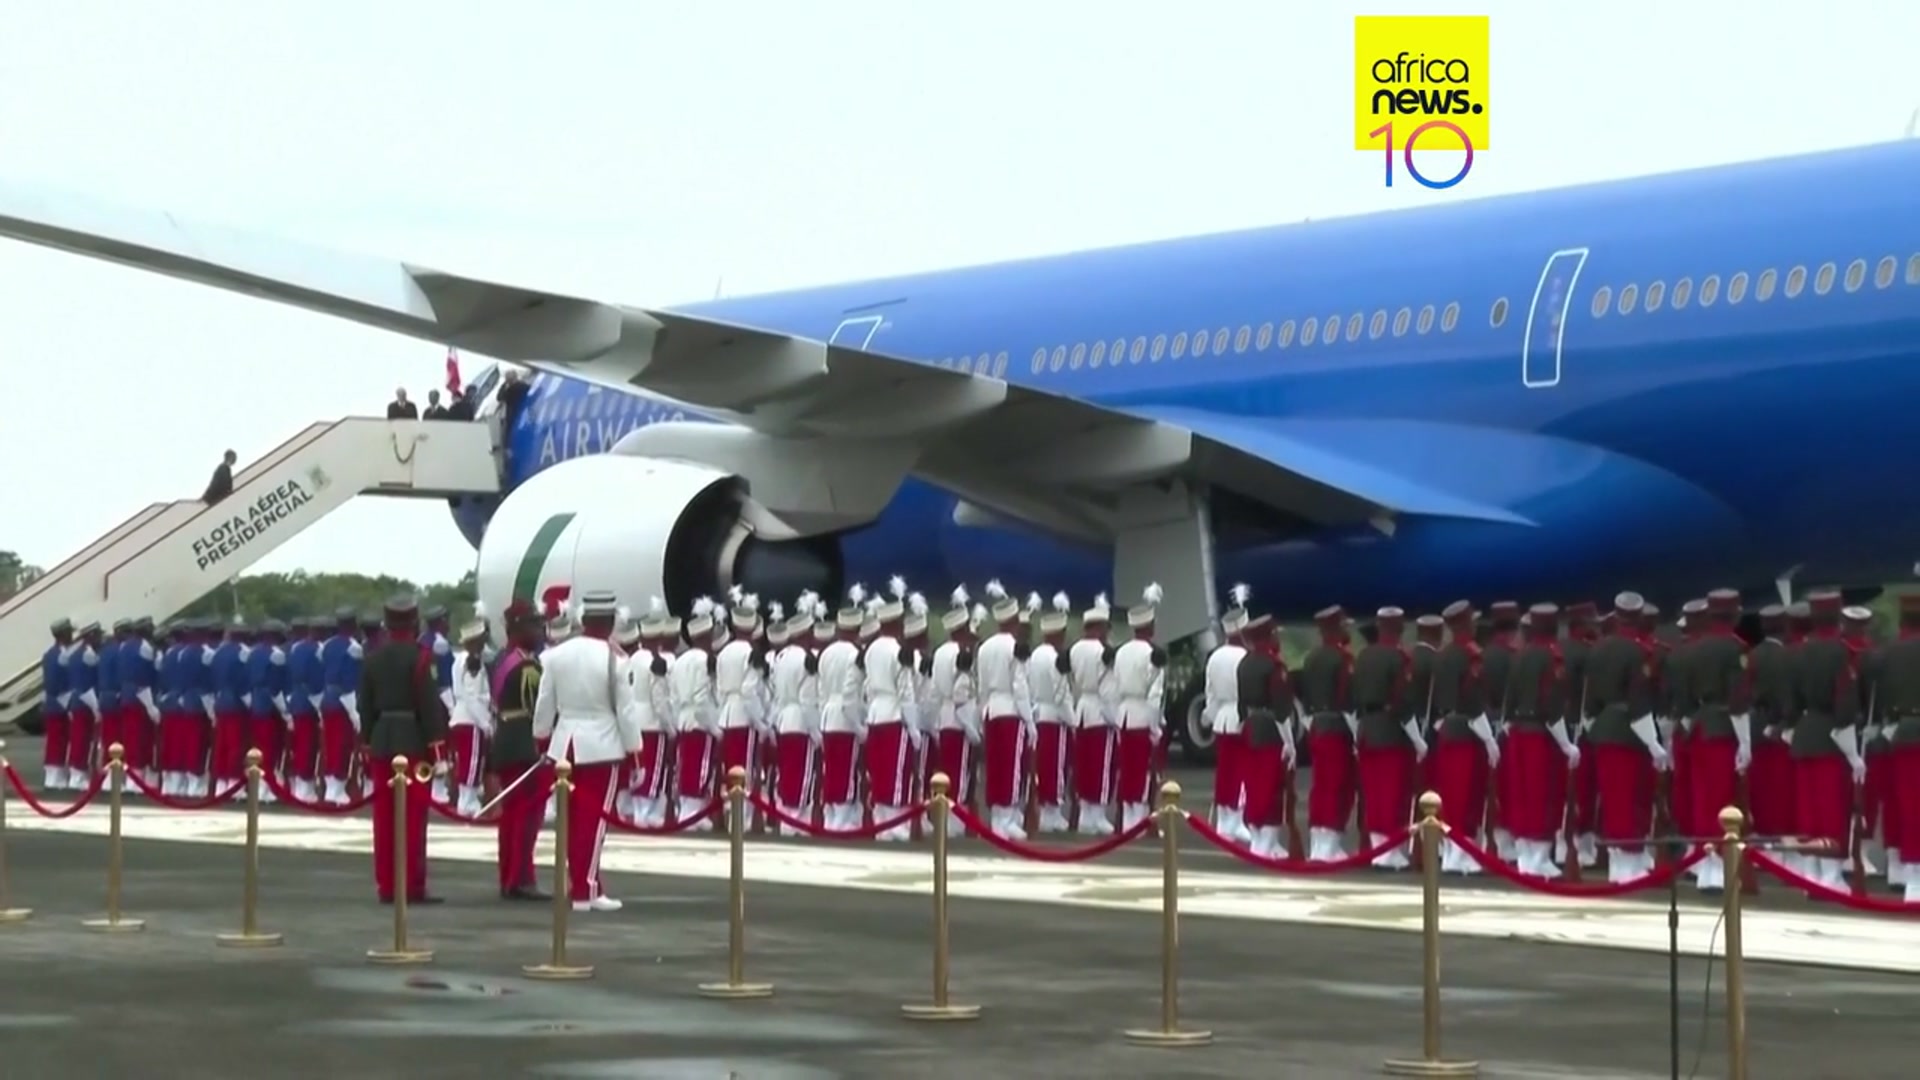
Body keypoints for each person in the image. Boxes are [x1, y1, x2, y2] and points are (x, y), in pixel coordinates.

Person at [533, 591, 640, 912]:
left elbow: (544, 705)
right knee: (592, 823)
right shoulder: (616, 660)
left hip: (564, 743)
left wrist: (542, 741)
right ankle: (585, 889)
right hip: (601, 746)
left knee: (571, 822)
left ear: (582, 620)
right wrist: (635, 752)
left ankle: (582, 883)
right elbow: (626, 712)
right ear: (609, 623)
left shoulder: (555, 655)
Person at [357, 594, 448, 905]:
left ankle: (387, 885)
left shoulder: (372, 658)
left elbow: (364, 707)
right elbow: (429, 707)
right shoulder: (422, 657)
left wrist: (367, 745)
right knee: (412, 818)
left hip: (382, 740)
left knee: (384, 819)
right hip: (412, 742)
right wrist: (438, 753)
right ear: (414, 621)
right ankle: (411, 886)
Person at [1586, 591, 1666, 883]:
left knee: (1612, 797)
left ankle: (1619, 865)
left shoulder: (1598, 649)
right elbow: (1639, 704)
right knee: (1632, 797)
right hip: (1630, 734)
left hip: (1604, 729)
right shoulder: (1639, 652)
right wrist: (1654, 744)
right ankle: (1628, 865)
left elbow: (1591, 701)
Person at [1504, 602, 1578, 879]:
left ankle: (1525, 855)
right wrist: (1566, 744)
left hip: (1518, 733)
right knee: (1542, 794)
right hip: (1541, 735)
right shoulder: (1553, 656)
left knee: (1521, 793)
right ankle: (1539, 856)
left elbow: (1508, 701)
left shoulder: (1519, 656)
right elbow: (1553, 706)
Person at [1687, 589, 1752, 892]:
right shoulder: (1734, 648)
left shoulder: (1695, 648)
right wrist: (1746, 743)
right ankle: (1715, 868)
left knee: (1702, 797)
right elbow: (1738, 700)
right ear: (1735, 614)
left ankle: (1706, 863)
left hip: (1700, 725)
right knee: (1722, 799)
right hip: (1722, 728)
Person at [1430, 601, 1499, 874]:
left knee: (1451, 794)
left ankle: (1452, 853)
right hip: (1468, 733)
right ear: (1466, 624)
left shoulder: (1443, 654)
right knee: (1467, 794)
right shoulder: (1470, 654)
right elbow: (1472, 700)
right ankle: (1462, 854)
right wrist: (1489, 739)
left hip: (1448, 730)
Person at [1354, 607, 1423, 869]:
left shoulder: (1362, 657)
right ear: (1398, 628)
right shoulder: (1400, 657)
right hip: (1392, 733)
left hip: (1367, 731)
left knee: (1374, 792)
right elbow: (1403, 703)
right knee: (1395, 792)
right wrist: (1418, 740)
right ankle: (1392, 851)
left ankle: (1378, 847)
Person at [490, 601, 549, 901]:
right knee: (525, 816)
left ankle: (511, 876)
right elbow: (535, 706)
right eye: (534, 625)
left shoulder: (505, 657)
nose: (540, 630)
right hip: (522, 741)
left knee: (513, 815)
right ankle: (521, 878)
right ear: (518, 627)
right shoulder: (526, 666)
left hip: (507, 739)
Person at [976, 580, 1034, 838]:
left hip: (991, 709)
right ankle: (1006, 820)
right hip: (1011, 710)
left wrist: (981, 713)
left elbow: (981, 687)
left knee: (996, 766)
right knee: (1011, 767)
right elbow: (1020, 686)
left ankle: (998, 819)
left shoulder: (985, 647)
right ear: (1013, 620)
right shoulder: (1015, 647)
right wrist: (1030, 721)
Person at [1236, 613, 1297, 859]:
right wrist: (1290, 743)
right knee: (1272, 786)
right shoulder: (1274, 665)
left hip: (1250, 727)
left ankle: (1259, 841)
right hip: (1270, 729)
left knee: (1254, 784)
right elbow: (1281, 710)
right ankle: (1267, 843)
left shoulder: (1245, 662)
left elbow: (1241, 702)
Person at [1299, 605, 1357, 862]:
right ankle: (1331, 845)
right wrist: (1357, 735)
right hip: (1337, 728)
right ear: (1337, 628)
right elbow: (1346, 699)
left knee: (1320, 786)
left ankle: (1318, 843)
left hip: (1316, 728)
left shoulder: (1311, 658)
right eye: (1344, 625)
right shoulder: (1343, 658)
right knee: (1337, 786)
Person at [1112, 584, 1168, 832]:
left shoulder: (1122, 652)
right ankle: (1141, 822)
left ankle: (1128, 822)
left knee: (1128, 770)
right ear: (1150, 626)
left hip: (1124, 714)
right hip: (1143, 715)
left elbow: (1113, 687)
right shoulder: (1153, 654)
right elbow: (1155, 696)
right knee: (1144, 772)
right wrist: (1155, 727)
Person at [929, 587, 980, 835]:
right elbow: (961, 696)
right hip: (958, 720)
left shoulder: (939, 652)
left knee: (944, 771)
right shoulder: (961, 654)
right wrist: (972, 729)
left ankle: (946, 819)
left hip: (942, 717)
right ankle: (954, 821)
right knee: (957, 774)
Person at [817, 586, 868, 831]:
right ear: (857, 630)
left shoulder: (826, 653)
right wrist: (859, 726)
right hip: (846, 718)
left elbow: (820, 691)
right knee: (847, 770)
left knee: (832, 768)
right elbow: (850, 694)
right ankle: (843, 819)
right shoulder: (855, 654)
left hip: (828, 715)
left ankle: (833, 817)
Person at [1204, 586, 1252, 843]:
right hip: (1239, 717)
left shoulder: (1215, 656)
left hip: (1221, 716)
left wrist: (1211, 717)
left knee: (1224, 771)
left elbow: (1209, 692)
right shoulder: (1245, 656)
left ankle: (1224, 820)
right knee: (1241, 772)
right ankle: (1236, 820)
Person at [669, 597, 721, 829]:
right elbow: (702, 699)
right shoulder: (704, 660)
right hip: (700, 721)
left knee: (687, 764)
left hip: (682, 719)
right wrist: (714, 728)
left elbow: (672, 697)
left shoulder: (680, 661)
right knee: (699, 766)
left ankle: (692, 812)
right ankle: (692, 813)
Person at [1068, 594, 1117, 834]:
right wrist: (1114, 719)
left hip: (1082, 710)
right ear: (1098, 627)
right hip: (1099, 711)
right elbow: (1108, 690)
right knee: (1101, 766)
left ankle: (1086, 814)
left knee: (1084, 765)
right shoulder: (1103, 651)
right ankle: (1096, 815)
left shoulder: (1075, 650)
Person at [1026, 592, 1073, 834]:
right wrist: (1072, 720)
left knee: (1044, 766)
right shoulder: (1055, 658)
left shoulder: (1035, 655)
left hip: (1038, 713)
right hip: (1055, 716)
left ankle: (1046, 810)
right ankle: (1051, 812)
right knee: (1056, 767)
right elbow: (1061, 693)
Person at [713, 588, 766, 800]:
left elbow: (718, 689)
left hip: (726, 713)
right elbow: (749, 690)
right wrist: (759, 720)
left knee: (731, 766)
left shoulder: (724, 652)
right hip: (745, 716)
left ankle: (731, 812)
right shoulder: (751, 653)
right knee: (744, 769)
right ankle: (742, 815)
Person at [1480, 601, 1522, 861]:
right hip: (1506, 725)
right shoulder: (1514, 656)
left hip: (1484, 722)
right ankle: (1502, 843)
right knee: (1507, 786)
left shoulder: (1483, 654)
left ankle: (1491, 841)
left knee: (1487, 786)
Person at [445, 619, 493, 817]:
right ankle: (467, 801)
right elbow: (472, 697)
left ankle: (467, 800)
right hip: (471, 718)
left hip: (463, 716)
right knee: (472, 762)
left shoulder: (461, 659)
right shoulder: (471, 661)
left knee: (467, 761)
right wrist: (485, 723)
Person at [318, 608, 363, 807]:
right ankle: (337, 789)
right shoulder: (354, 648)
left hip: (326, 699)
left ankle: (331, 788)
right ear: (353, 626)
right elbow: (351, 681)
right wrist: (354, 712)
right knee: (342, 745)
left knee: (330, 744)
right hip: (343, 701)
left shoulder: (326, 645)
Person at [247, 620, 289, 803]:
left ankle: (258, 786)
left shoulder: (252, 653)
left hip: (255, 704)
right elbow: (275, 688)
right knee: (270, 749)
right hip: (269, 707)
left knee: (258, 747)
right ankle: (268, 787)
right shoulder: (277, 654)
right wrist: (285, 711)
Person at [209, 619, 251, 798]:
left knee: (222, 744)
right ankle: (234, 784)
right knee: (236, 744)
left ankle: (221, 783)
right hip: (236, 703)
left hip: (220, 701)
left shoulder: (218, 652)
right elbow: (242, 681)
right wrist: (249, 703)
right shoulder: (243, 652)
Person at [284, 618, 324, 803]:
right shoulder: (317, 649)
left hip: (295, 700)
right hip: (309, 702)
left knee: (299, 744)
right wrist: (319, 706)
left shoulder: (296, 648)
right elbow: (315, 681)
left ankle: (298, 784)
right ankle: (304, 787)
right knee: (308, 746)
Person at [122, 617, 162, 794]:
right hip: (141, 699)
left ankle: (132, 779)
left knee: (130, 739)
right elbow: (144, 679)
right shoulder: (145, 648)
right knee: (140, 740)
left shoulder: (124, 646)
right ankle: (137, 781)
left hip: (126, 697)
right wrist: (151, 706)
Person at [62, 622, 103, 792]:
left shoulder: (75, 654)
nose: (100, 639)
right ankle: (78, 775)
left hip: (76, 701)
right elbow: (87, 685)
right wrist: (96, 708)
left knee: (80, 739)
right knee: (82, 740)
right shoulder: (88, 655)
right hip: (85, 702)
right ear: (90, 636)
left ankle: (77, 774)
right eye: (97, 635)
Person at [39, 619, 74, 791]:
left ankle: (54, 776)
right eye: (69, 632)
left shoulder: (49, 654)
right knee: (58, 740)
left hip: (52, 703)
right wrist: (68, 703)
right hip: (59, 703)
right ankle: (54, 777)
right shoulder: (62, 655)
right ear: (63, 634)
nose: (72, 636)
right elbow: (58, 683)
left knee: (55, 740)